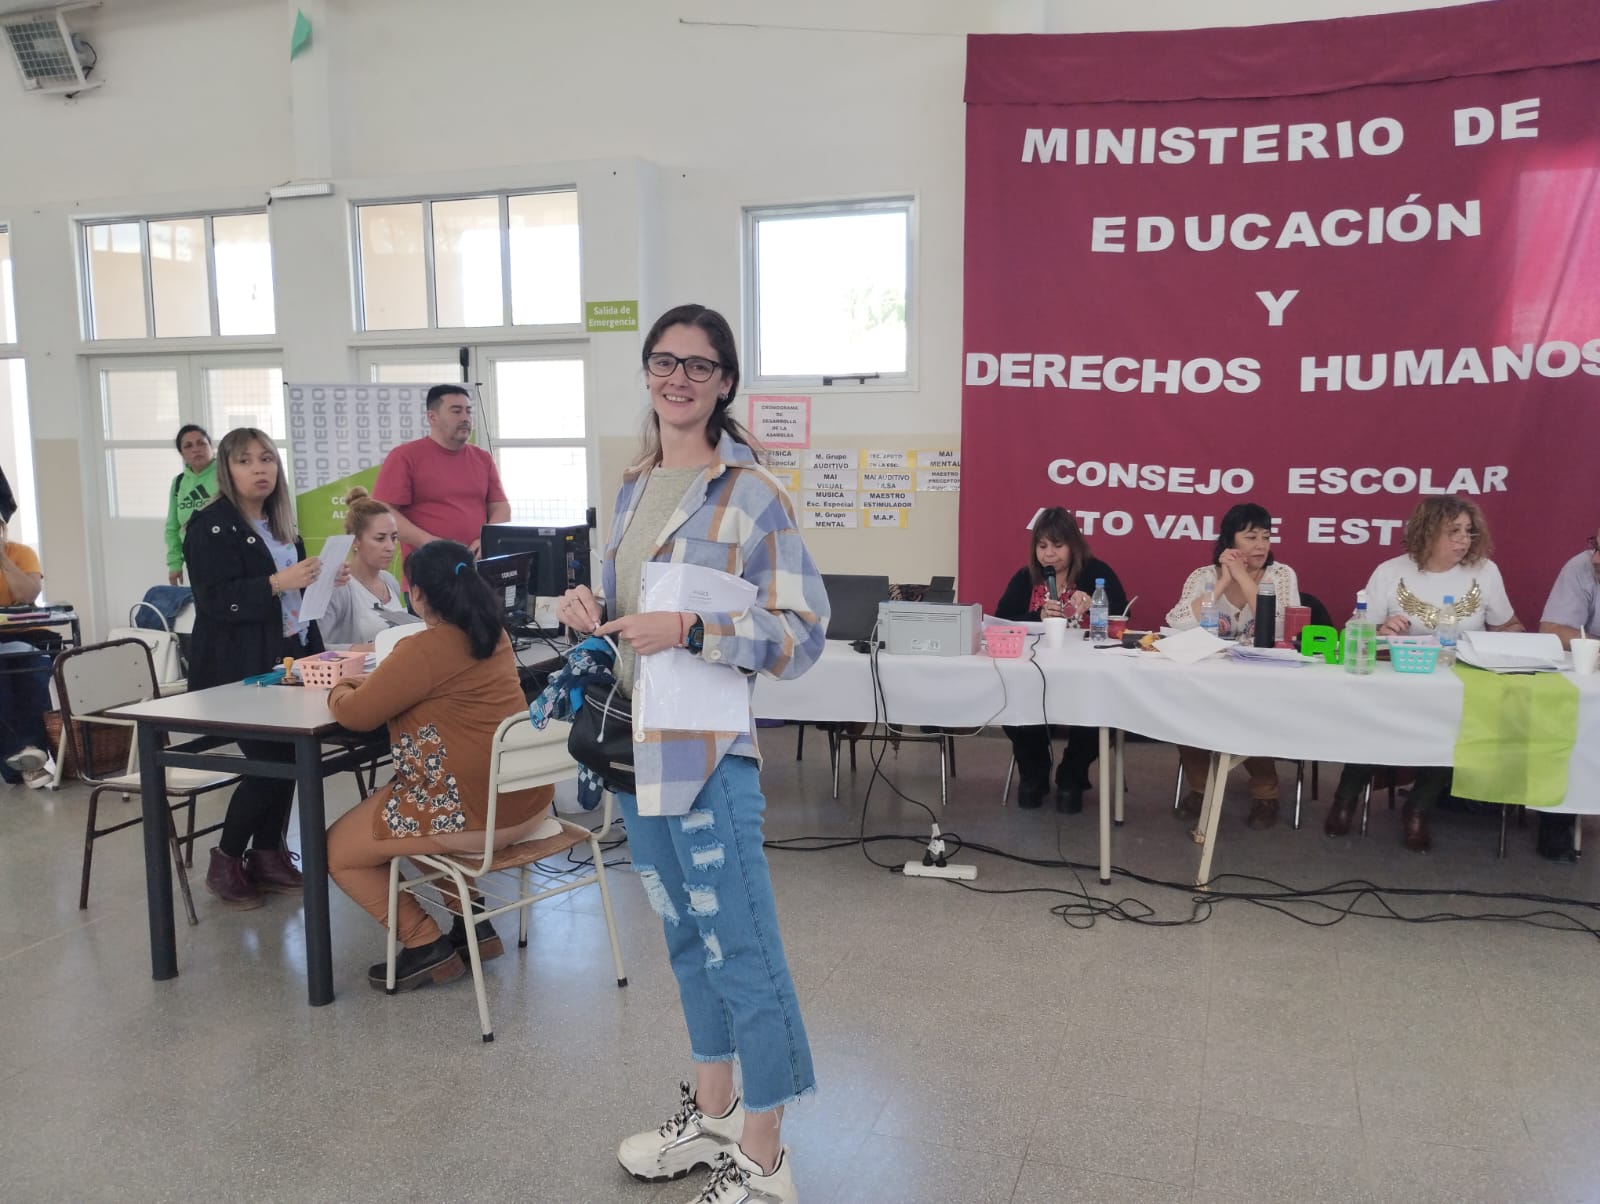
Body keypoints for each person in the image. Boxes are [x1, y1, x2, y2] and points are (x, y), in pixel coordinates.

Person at [559, 303, 827, 1204]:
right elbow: (626, 608)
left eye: (699, 366)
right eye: (664, 362)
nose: (678, 379)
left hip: (709, 756)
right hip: (636, 753)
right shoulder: (634, 486)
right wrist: (589, 609)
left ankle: (765, 1155)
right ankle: (714, 1112)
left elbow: (802, 633)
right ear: (646, 372)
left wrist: (694, 628)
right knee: (683, 935)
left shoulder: (753, 494)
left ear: (724, 383)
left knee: (740, 946)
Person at [324, 539, 558, 990]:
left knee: (337, 850)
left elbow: (355, 714)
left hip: (476, 816)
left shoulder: (425, 650)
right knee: (411, 810)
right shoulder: (493, 634)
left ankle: (424, 944)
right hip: (527, 801)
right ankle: (475, 926)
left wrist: (342, 686)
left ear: (416, 595)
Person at [185, 427, 341, 908]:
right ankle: (226, 859)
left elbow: (292, 596)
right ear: (226, 469)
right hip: (236, 668)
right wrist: (278, 581)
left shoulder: (282, 523)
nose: (260, 469)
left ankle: (268, 853)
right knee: (270, 761)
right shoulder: (210, 526)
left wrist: (321, 579)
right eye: (246, 460)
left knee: (290, 757)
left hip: (288, 656)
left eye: (267, 459)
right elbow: (214, 601)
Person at [1324, 496, 1523, 851]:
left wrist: (1513, 641)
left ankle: (1418, 807)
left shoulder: (1485, 572)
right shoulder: (1390, 572)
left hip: (1457, 684)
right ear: (1427, 532)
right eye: (1453, 531)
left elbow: (1508, 626)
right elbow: (1353, 634)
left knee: (1451, 729)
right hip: (1397, 683)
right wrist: (1381, 630)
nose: (1464, 540)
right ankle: (1346, 796)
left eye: (1468, 531)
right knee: (1370, 720)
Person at [1165, 502, 1302, 829]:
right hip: (1210, 679)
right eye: (1251, 537)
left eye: (1266, 537)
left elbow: (1282, 627)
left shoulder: (1280, 575)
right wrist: (1223, 582)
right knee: (1182, 708)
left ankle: (1265, 793)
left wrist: (1243, 576)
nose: (1261, 545)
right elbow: (1177, 620)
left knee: (1249, 712)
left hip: (1262, 682)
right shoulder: (1204, 576)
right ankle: (1201, 788)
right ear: (1229, 541)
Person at [994, 506, 1127, 811]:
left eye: (1057, 545)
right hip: (1035, 671)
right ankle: (1035, 772)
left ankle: (1072, 774)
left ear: (1074, 546)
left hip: (1087, 673)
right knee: (1008, 704)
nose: (1049, 555)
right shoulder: (1026, 578)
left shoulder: (1097, 573)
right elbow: (1002, 620)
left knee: (1104, 709)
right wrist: (1036, 616)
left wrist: (1096, 604)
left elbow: (1123, 616)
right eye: (1042, 546)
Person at [372, 385, 511, 570]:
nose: (465, 418)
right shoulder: (405, 456)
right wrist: (431, 544)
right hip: (429, 570)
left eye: (468, 411)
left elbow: (501, 507)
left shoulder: (482, 458)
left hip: (477, 569)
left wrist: (487, 540)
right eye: (456, 411)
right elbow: (383, 511)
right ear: (432, 417)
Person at [1531, 526, 1599, 860]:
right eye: (1596, 545)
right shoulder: (1582, 567)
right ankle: (1557, 816)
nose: (1596, 558)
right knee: (1563, 710)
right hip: (1592, 678)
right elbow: (1553, 629)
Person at [319, 486, 421, 647]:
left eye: (394, 537)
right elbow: (318, 648)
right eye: (380, 538)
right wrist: (374, 648)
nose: (390, 547)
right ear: (355, 541)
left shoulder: (390, 581)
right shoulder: (339, 586)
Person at [0, 519, 54, 788]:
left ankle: (32, 752)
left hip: (22, 636)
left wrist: (3, 560)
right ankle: (18, 759)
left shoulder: (21, 553)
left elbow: (29, 594)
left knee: (32, 670)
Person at [165, 424, 217, 585]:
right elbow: (173, 527)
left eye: (201, 443)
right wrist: (175, 563)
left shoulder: (227, 475)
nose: (196, 449)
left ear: (211, 446)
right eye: (188, 446)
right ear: (181, 453)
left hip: (230, 556)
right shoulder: (179, 482)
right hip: (195, 559)